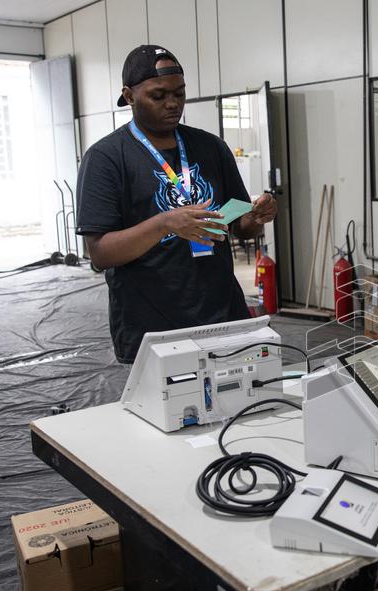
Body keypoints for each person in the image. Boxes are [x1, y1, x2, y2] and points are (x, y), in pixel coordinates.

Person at [76, 44, 277, 363]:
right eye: (158, 96)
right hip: (153, 327)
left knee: (242, 406)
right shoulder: (106, 159)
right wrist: (165, 223)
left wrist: (257, 215)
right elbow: (100, 252)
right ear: (129, 96)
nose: (173, 104)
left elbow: (240, 227)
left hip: (223, 316)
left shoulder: (211, 147)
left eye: (180, 94)